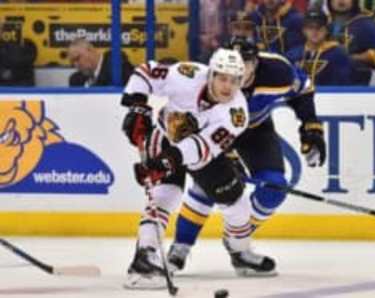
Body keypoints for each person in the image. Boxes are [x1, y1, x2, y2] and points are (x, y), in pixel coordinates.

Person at [167, 36, 327, 275]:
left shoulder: (277, 72)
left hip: (256, 131)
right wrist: (226, 156)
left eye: (246, 63)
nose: (238, 72)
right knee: (208, 188)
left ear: (257, 62)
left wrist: (311, 126)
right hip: (212, 133)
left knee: (274, 187)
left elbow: (303, 89)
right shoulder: (207, 76)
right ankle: (179, 248)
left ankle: (238, 246)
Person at [120, 48, 275, 289]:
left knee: (237, 204)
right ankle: (145, 258)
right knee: (164, 196)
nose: (228, 86)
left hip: (201, 154)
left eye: (235, 81)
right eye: (222, 78)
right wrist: (137, 105)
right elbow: (146, 72)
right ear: (211, 74)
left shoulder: (236, 114)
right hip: (163, 137)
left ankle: (240, 252)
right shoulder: (187, 74)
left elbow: (201, 147)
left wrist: (167, 161)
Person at [327, 0, 375, 85]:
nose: (341, 1)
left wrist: (352, 58)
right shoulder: (322, 25)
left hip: (359, 83)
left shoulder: (365, 24)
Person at [286, 9, 352, 85]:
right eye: (310, 27)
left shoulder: (338, 54)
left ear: (327, 30)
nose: (315, 31)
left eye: (319, 27)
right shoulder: (292, 55)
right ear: (304, 30)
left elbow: (342, 85)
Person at [67, 38, 133, 87]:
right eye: (72, 62)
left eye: (78, 58)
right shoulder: (76, 80)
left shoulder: (118, 67)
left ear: (90, 50)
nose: (76, 65)